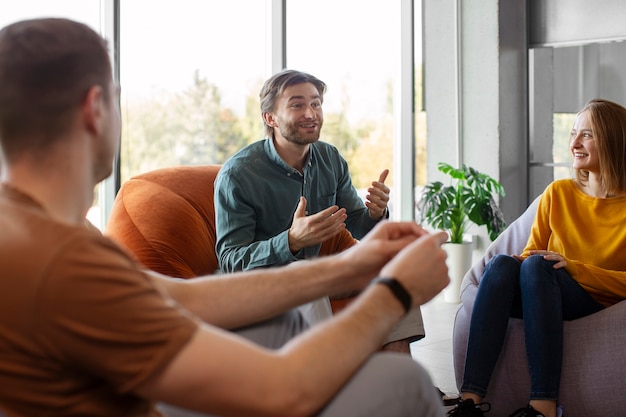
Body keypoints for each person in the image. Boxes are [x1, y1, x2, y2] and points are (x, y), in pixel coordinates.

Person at [0, 17, 452, 416]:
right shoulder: (61, 264)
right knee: (404, 385)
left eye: (316, 103)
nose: (311, 112)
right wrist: (394, 289)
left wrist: (350, 264)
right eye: (117, 99)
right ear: (94, 109)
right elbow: (283, 390)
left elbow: (184, 298)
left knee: (282, 323)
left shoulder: (48, 230)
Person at [214, 69, 423, 352]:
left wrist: (375, 214)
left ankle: (401, 386)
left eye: (315, 103)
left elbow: (358, 225)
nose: (311, 113)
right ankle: (330, 385)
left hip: (315, 276)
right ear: (270, 118)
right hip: (259, 291)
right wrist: (291, 242)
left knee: (391, 267)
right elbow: (230, 262)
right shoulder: (237, 175)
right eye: (297, 104)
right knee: (304, 273)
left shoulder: (330, 158)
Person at [448, 98, 626, 417]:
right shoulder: (557, 194)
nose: (574, 143)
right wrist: (522, 264)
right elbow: (531, 254)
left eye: (587, 135)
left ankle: (542, 406)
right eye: (573, 133)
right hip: (542, 293)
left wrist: (574, 269)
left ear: (613, 139)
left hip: (594, 302)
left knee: (537, 265)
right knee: (503, 263)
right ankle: (470, 402)